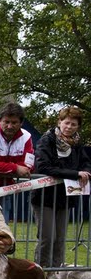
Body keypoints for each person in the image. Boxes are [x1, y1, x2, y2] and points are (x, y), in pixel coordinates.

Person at [31, 106, 91, 268]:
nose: (69, 127)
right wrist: (74, 173)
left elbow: (85, 162)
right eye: (67, 123)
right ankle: (41, 269)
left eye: (74, 124)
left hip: (66, 197)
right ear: (59, 122)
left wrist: (85, 171)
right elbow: (43, 167)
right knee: (47, 237)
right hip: (44, 197)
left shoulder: (77, 144)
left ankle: (57, 271)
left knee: (60, 237)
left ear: (78, 127)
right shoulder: (46, 140)